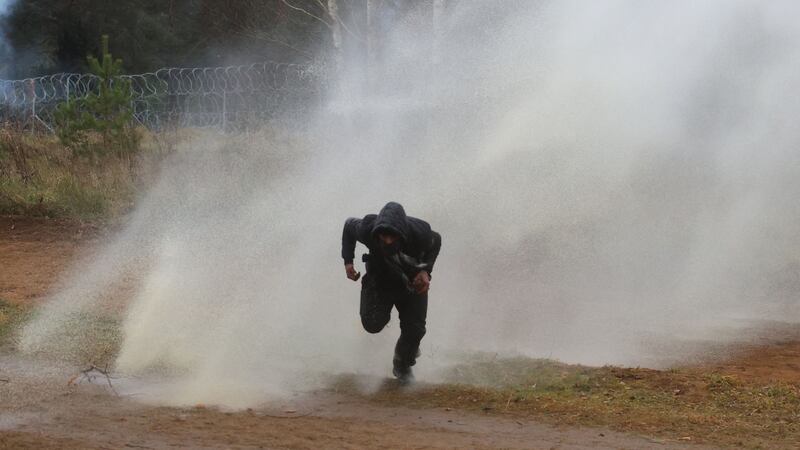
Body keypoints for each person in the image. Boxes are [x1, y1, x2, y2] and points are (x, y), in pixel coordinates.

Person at [341, 202, 442, 383]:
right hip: (379, 281)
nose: (387, 241)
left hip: (412, 282)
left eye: (392, 237)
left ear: (402, 234)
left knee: (415, 330)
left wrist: (425, 271)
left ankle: (402, 364)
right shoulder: (367, 229)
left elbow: (437, 241)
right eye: (383, 236)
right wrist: (348, 261)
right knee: (372, 324)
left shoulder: (420, 234)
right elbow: (349, 226)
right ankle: (384, 318)